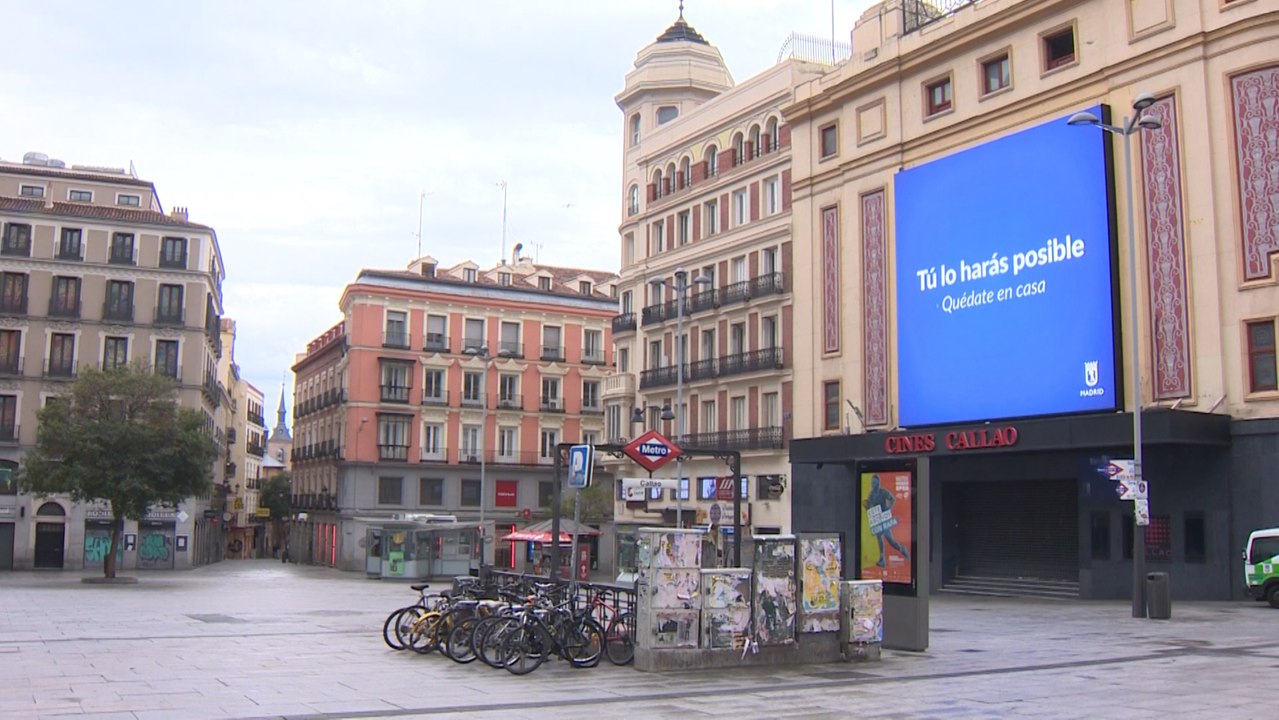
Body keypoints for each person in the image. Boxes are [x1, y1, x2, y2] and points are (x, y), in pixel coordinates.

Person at [863, 474, 910, 567]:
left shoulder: (883, 492)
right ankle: (883, 559)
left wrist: (889, 508)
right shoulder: (871, 494)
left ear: (878, 483)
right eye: (872, 483)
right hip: (877, 519)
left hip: (885, 518)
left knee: (889, 540)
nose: (873, 484)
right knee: (880, 537)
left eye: (875, 483)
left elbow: (892, 499)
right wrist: (867, 506)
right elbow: (869, 505)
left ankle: (901, 549)